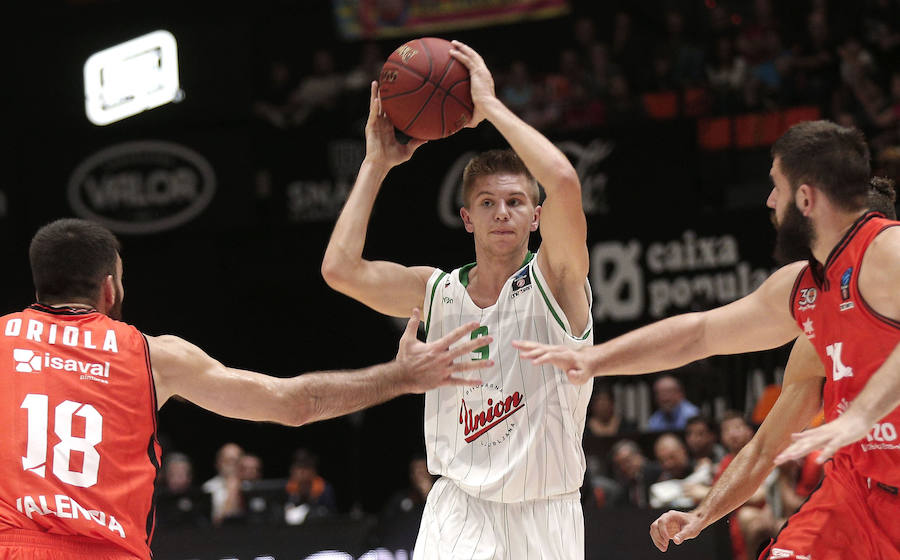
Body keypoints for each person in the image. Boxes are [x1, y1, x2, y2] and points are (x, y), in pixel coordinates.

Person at [515, 120, 900, 559]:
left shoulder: (887, 249)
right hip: (854, 493)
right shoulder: (805, 292)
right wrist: (595, 357)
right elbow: (700, 335)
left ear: (806, 199)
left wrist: (860, 416)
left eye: (777, 186)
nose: (769, 200)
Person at [0, 218, 493, 560]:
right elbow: (291, 404)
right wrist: (401, 375)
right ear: (110, 288)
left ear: (40, 286)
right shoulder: (154, 355)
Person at [321, 40, 592, 559]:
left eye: (516, 202)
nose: (502, 213)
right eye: (488, 203)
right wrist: (376, 163)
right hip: (459, 509)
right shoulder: (435, 291)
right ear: (467, 218)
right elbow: (339, 270)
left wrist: (488, 106)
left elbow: (560, 180)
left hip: (547, 513)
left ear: (536, 217)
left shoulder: (557, 280)